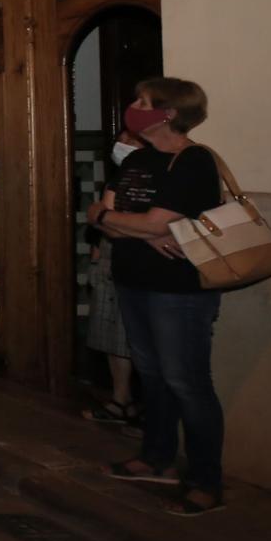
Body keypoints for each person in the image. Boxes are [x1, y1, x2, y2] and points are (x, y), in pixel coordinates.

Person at [91, 77, 227, 516]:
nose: (133, 106)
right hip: (134, 281)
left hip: (179, 291)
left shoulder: (193, 161)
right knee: (151, 374)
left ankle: (206, 479)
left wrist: (128, 222)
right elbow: (101, 215)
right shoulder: (138, 159)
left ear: (167, 113)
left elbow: (152, 222)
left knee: (187, 380)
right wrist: (133, 225)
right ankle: (156, 458)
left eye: (142, 101)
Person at [83, 128, 144, 428]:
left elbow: (104, 216)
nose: (124, 144)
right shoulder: (119, 176)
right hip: (109, 261)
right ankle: (122, 399)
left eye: (132, 140)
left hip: (131, 263)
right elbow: (98, 223)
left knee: (127, 336)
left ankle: (129, 402)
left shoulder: (145, 179)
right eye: (122, 138)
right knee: (110, 335)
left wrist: (101, 216)